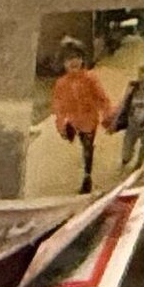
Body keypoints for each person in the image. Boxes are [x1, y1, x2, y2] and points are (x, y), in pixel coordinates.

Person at [50, 42, 116, 192]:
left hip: (89, 120)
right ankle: (77, 141)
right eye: (69, 59)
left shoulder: (90, 78)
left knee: (87, 146)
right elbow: (58, 106)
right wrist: (61, 124)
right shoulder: (61, 83)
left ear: (82, 60)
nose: (74, 62)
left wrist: (107, 114)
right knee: (78, 139)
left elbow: (102, 98)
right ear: (63, 63)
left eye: (77, 57)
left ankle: (87, 175)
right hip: (73, 120)